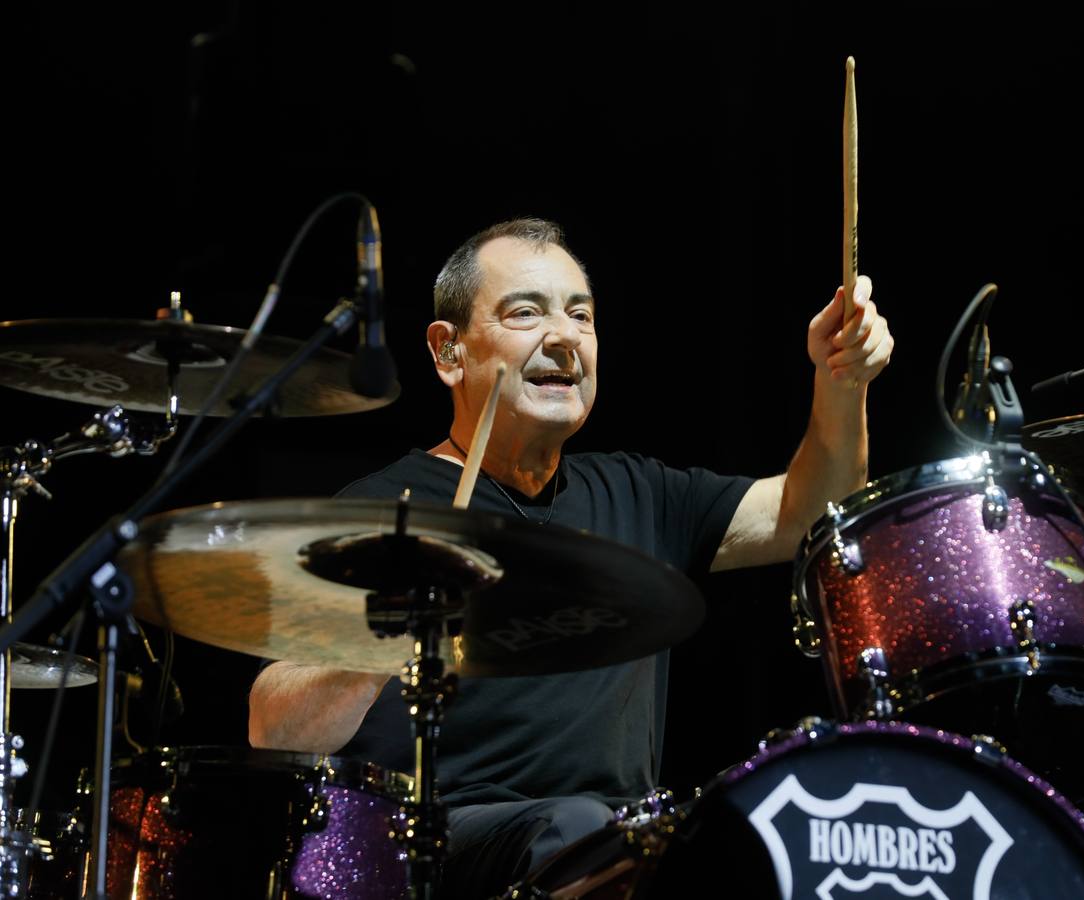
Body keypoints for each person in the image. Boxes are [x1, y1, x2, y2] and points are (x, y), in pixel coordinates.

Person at [248, 218, 893, 897]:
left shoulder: (639, 493)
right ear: (449, 352)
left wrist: (841, 382)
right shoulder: (384, 510)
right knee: (582, 829)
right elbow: (274, 724)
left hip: (613, 845)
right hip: (434, 849)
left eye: (580, 315)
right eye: (525, 312)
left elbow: (807, 515)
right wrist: (392, 627)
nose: (562, 336)